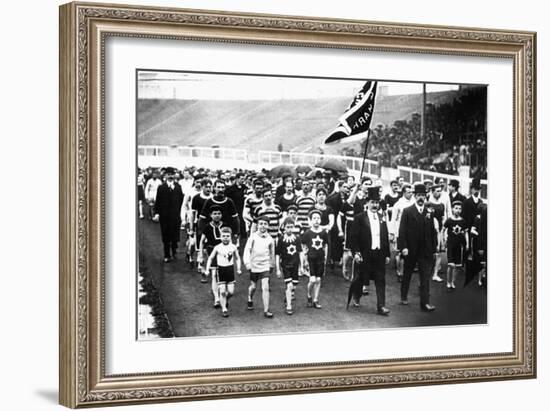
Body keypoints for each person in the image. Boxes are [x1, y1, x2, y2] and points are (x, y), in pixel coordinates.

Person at [348, 187, 391, 315]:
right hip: (365, 254)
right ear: (367, 203)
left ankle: (381, 306)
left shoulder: (381, 217)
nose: (375, 205)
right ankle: (356, 295)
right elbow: (353, 237)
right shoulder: (360, 217)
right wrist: (356, 252)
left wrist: (387, 254)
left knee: (380, 280)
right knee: (361, 277)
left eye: (377, 203)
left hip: (379, 254)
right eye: (372, 202)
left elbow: (385, 236)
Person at [398, 183, 438, 311]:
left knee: (425, 276)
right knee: (407, 274)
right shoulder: (407, 211)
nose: (421, 198)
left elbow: (432, 232)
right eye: (419, 195)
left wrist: (433, 249)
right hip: (410, 249)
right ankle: (403, 295)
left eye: (423, 195)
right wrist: (403, 247)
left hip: (424, 251)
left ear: (426, 197)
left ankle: (425, 303)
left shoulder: (429, 213)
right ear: (415, 196)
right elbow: (402, 230)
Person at [205, 227, 242, 317]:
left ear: (230, 237)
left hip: (230, 270)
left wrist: (239, 268)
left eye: (227, 236)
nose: (225, 238)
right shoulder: (217, 247)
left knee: (231, 292)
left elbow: (237, 258)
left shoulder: (233, 247)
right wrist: (207, 269)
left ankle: (224, 300)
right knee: (222, 291)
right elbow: (210, 258)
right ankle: (224, 309)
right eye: (223, 236)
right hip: (221, 270)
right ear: (220, 237)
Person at [243, 216, 275, 318]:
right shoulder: (252, 237)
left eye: (265, 224)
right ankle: (250, 298)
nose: (263, 226)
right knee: (253, 286)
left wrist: (272, 264)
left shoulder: (270, 239)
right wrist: (247, 263)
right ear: (257, 225)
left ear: (268, 226)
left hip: (265, 265)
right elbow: (247, 250)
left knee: (265, 287)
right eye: (261, 223)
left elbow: (272, 253)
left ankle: (266, 310)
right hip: (254, 265)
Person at [198, 205, 226, 306]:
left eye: (219, 213)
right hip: (212, 251)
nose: (217, 216)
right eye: (214, 214)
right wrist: (200, 254)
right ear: (210, 215)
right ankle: (216, 298)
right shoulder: (207, 227)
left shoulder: (225, 226)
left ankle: (220, 291)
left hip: (224, 252)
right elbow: (201, 241)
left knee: (222, 274)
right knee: (214, 274)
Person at [154, 167, 184, 263]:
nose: (170, 176)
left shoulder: (178, 187)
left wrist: (181, 215)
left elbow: (181, 202)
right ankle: (167, 254)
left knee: (175, 236)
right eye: (168, 174)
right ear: (165, 175)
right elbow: (157, 201)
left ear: (174, 175)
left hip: (175, 216)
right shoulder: (161, 187)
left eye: (172, 174)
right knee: (166, 236)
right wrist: (157, 213)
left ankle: (174, 250)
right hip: (165, 216)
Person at [301, 209, 329, 309]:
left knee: (318, 279)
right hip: (311, 259)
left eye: (318, 218)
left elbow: (326, 245)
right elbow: (303, 246)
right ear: (310, 220)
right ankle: (309, 295)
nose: (316, 220)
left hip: (320, 259)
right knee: (312, 280)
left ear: (320, 220)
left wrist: (325, 257)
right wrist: (304, 260)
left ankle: (316, 299)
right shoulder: (307, 233)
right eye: (314, 218)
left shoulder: (324, 233)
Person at [275, 217, 303, 315]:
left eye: (291, 227)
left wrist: (302, 266)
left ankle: (288, 295)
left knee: (294, 285)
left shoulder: (297, 238)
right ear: (284, 227)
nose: (289, 229)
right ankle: (289, 306)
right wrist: (278, 269)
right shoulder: (281, 239)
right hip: (286, 265)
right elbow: (277, 254)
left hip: (295, 264)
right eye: (287, 227)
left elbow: (300, 252)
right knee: (289, 285)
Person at [389, 183, 415, 281]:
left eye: (412, 192)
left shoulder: (414, 202)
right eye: (408, 192)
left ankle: (406, 271)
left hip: (411, 231)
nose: (411, 194)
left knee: (409, 253)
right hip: (400, 231)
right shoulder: (398, 204)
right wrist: (392, 233)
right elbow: (393, 219)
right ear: (404, 193)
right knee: (400, 253)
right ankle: (399, 273)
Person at [442, 200, 468, 289]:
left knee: (457, 266)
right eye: (456, 208)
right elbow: (443, 230)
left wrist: (467, 243)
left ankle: (453, 282)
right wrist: (443, 240)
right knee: (450, 265)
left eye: (460, 209)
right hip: (450, 244)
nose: (458, 210)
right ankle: (448, 282)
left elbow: (465, 233)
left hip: (459, 245)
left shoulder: (463, 221)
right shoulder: (449, 220)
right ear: (452, 209)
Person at [427, 184, 447, 283]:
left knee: (439, 253)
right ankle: (426, 274)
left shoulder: (442, 204)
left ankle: (435, 274)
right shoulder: (428, 204)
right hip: (429, 231)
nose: (439, 193)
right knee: (429, 254)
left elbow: (443, 218)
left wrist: (443, 229)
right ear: (432, 192)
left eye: (440, 191)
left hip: (439, 232)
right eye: (437, 191)